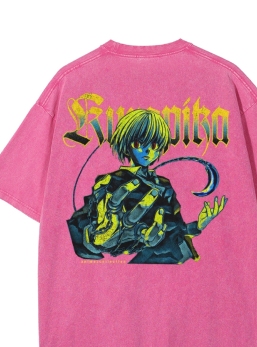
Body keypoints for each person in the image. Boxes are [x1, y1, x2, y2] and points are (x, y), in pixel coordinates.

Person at [67, 109, 227, 264]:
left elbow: (176, 229)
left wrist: (199, 225)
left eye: (155, 146)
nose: (148, 151)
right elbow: (85, 224)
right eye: (138, 143)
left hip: (171, 260)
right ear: (126, 144)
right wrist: (98, 238)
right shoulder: (111, 181)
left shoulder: (164, 185)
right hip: (135, 262)